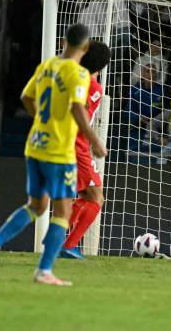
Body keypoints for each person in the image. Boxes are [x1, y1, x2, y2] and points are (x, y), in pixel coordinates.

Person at [0, 24, 108, 286]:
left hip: (36, 144)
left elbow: (26, 98)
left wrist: (43, 119)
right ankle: (45, 270)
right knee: (62, 210)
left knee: (37, 205)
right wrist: (94, 141)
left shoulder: (47, 66)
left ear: (64, 42)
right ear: (84, 47)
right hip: (60, 149)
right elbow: (77, 110)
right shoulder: (80, 75)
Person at [60, 41, 111, 259]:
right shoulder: (93, 87)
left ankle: (58, 241)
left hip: (65, 143)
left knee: (85, 196)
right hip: (77, 147)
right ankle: (68, 245)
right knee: (97, 197)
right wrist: (96, 142)